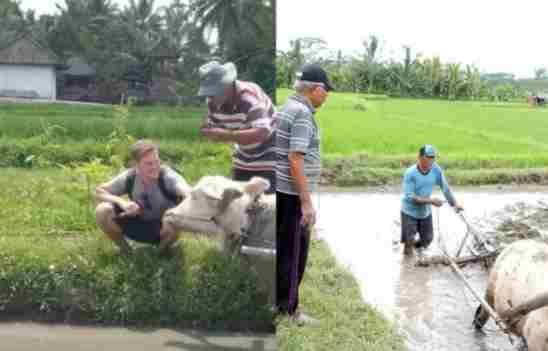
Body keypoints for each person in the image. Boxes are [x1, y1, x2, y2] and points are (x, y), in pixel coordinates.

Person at [275, 63, 333, 325]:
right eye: (326, 90)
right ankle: (288, 309)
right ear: (315, 89)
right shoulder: (301, 114)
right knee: (295, 251)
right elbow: (295, 159)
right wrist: (306, 202)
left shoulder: (287, 107)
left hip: (282, 191)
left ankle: (279, 301)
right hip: (292, 195)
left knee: (284, 248)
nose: (328, 95)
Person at [95, 139, 191, 255]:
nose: (155, 166)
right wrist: (123, 203)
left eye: (157, 161)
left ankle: (159, 254)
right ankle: (127, 251)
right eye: (149, 163)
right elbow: (100, 191)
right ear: (136, 165)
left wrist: (185, 198)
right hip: (138, 222)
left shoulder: (168, 176)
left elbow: (186, 190)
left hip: (164, 228)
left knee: (176, 217)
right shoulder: (130, 177)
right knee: (102, 210)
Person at [197, 61, 276, 193]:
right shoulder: (212, 101)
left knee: (264, 204)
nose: (211, 97)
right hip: (244, 156)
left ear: (227, 85)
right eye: (209, 93)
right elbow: (217, 124)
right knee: (239, 200)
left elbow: (262, 132)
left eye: (214, 92)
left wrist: (226, 135)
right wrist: (208, 129)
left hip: (271, 155)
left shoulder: (249, 97)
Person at [401, 144, 463, 256]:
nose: (431, 161)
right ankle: (408, 257)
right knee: (408, 241)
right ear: (419, 157)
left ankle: (417, 253)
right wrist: (431, 201)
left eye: (433, 157)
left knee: (427, 240)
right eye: (428, 157)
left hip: (425, 212)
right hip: (409, 212)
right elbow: (411, 197)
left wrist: (455, 204)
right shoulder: (410, 173)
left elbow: (445, 188)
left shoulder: (436, 170)